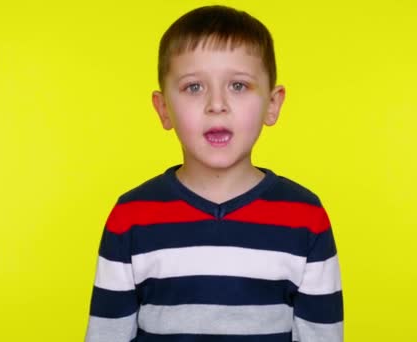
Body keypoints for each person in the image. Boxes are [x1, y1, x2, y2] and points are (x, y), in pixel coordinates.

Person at [85, 5, 343, 342]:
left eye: (238, 85)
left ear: (272, 104)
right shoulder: (131, 217)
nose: (216, 104)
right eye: (194, 87)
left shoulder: (305, 217)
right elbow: (107, 334)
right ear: (164, 109)